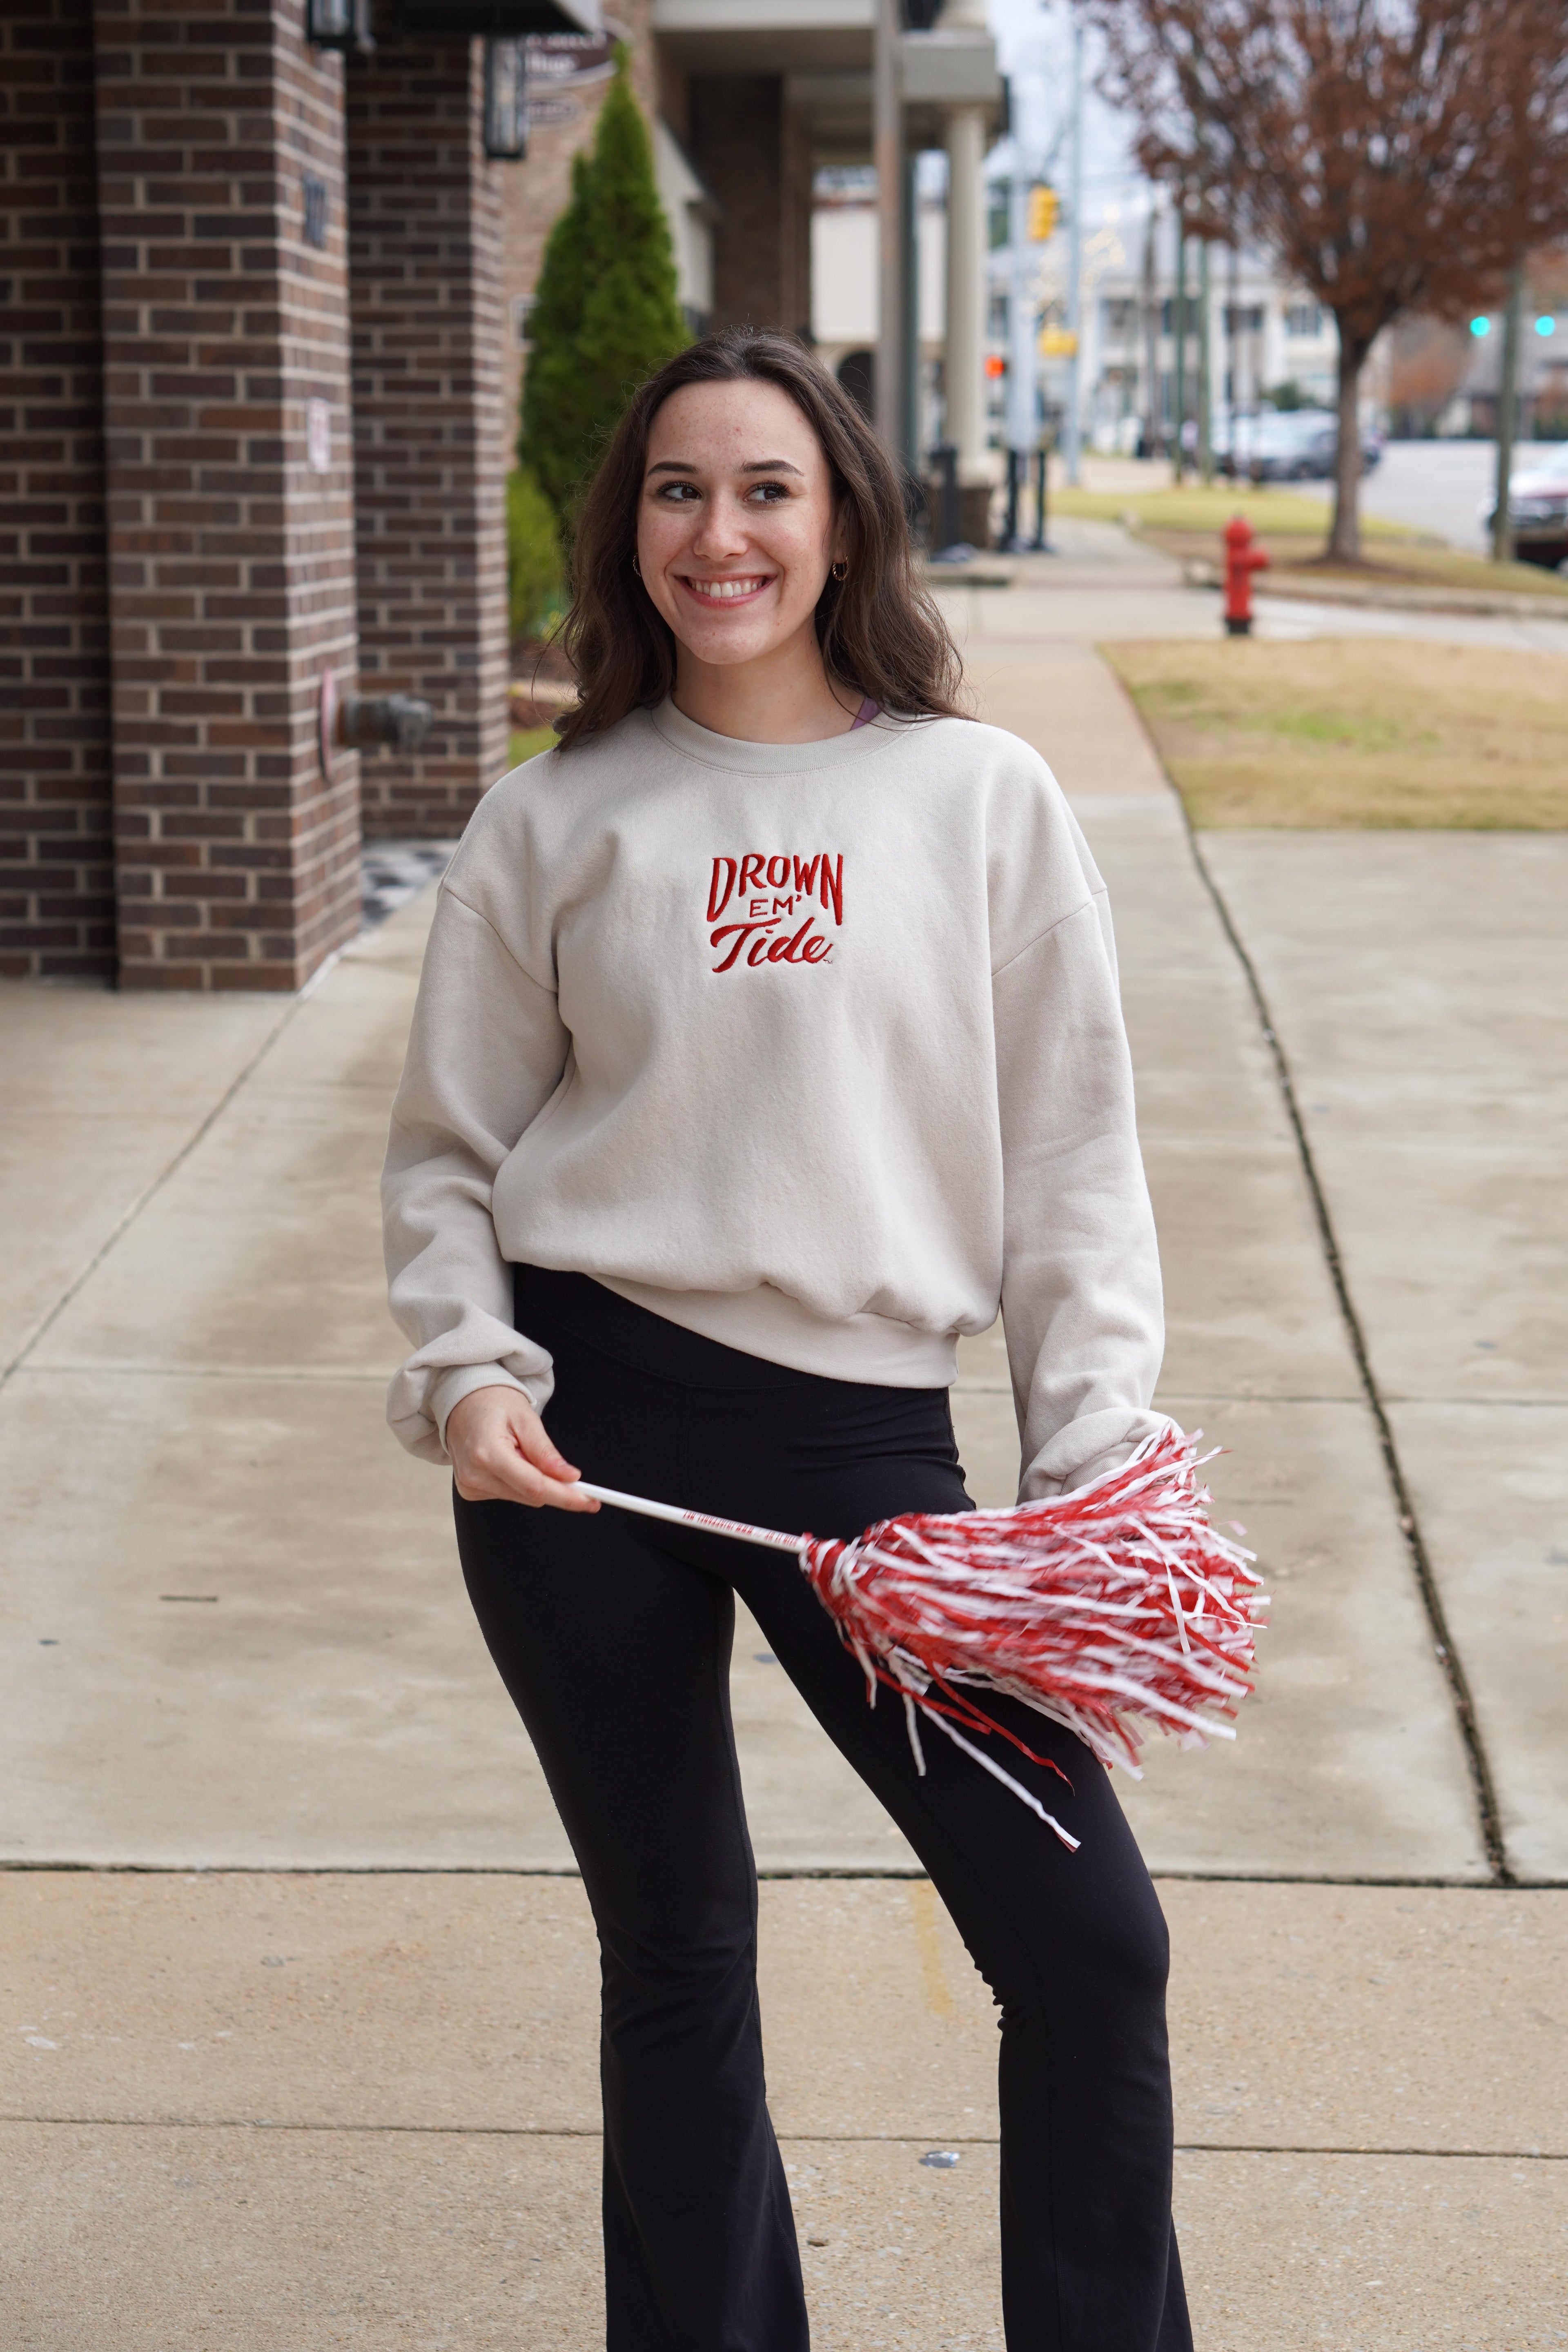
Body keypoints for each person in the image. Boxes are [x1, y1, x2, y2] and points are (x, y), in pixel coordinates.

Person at [382, 327, 1191, 2352]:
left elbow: (1077, 1164)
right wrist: (469, 1370)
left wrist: (1083, 1474)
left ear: (840, 524)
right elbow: (449, 1158)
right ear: (627, 528)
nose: (718, 533)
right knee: (680, 1956)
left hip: (861, 1463)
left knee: (1090, 1951)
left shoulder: (978, 798)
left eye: (764, 490)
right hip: (588, 1436)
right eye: (676, 490)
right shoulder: (555, 819)